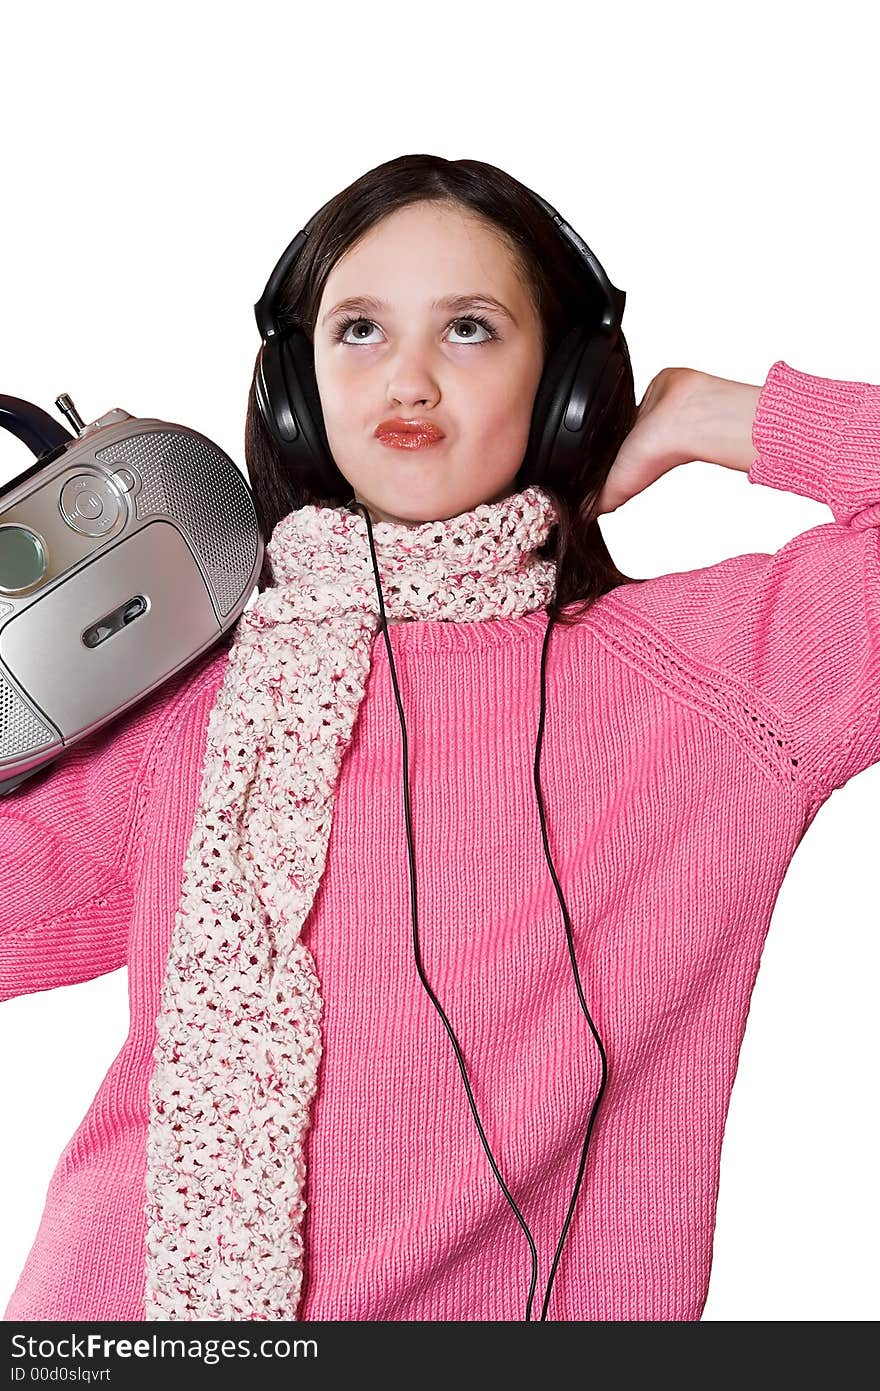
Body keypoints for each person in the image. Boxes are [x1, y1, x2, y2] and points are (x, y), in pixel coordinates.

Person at [3, 151, 879, 1323]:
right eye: (358, 330)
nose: (406, 379)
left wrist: (721, 417)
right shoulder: (199, 700)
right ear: (296, 390)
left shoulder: (709, 684)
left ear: (565, 382)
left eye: (468, 328)